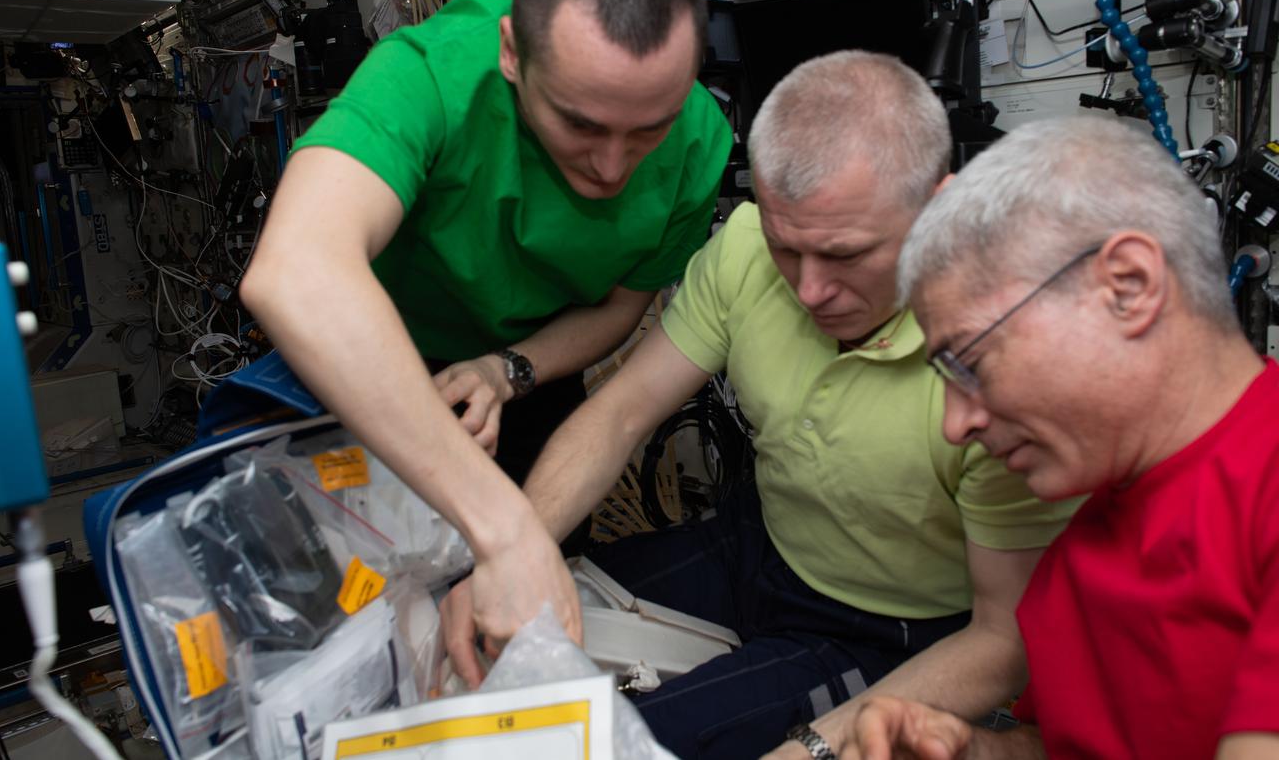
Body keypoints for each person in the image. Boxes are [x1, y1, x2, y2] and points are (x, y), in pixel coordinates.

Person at [441, 50, 1078, 759]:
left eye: (844, 254)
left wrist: (818, 745)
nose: (808, 291)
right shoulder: (745, 248)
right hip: (758, 541)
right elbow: (620, 413)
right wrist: (510, 551)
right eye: (787, 247)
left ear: (940, 206)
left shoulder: (998, 362)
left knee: (612, 745)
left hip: (887, 627)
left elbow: (1003, 639)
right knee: (511, 632)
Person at [240, 0, 731, 656]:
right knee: (339, 629)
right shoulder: (431, 74)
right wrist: (504, 527)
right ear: (511, 53)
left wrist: (511, 370)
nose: (612, 167)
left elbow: (621, 305)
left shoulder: (698, 142)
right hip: (369, 369)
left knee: (509, 633)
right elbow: (295, 272)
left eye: (647, 131)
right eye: (581, 125)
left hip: (525, 381)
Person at [834, 116, 1279, 759]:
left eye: (968, 364)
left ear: (1127, 286)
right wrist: (969, 752)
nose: (954, 426)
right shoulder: (1077, 555)